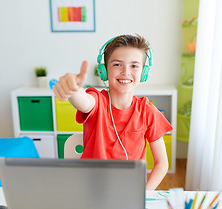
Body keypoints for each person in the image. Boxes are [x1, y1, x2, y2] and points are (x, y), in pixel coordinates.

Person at [53, 34, 173, 190]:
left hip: (129, 191)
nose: (125, 72)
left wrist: (144, 194)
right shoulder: (97, 100)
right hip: (90, 189)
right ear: (104, 71)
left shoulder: (147, 110)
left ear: (144, 73)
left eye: (134, 66)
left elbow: (162, 163)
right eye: (117, 64)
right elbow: (84, 101)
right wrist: (73, 89)